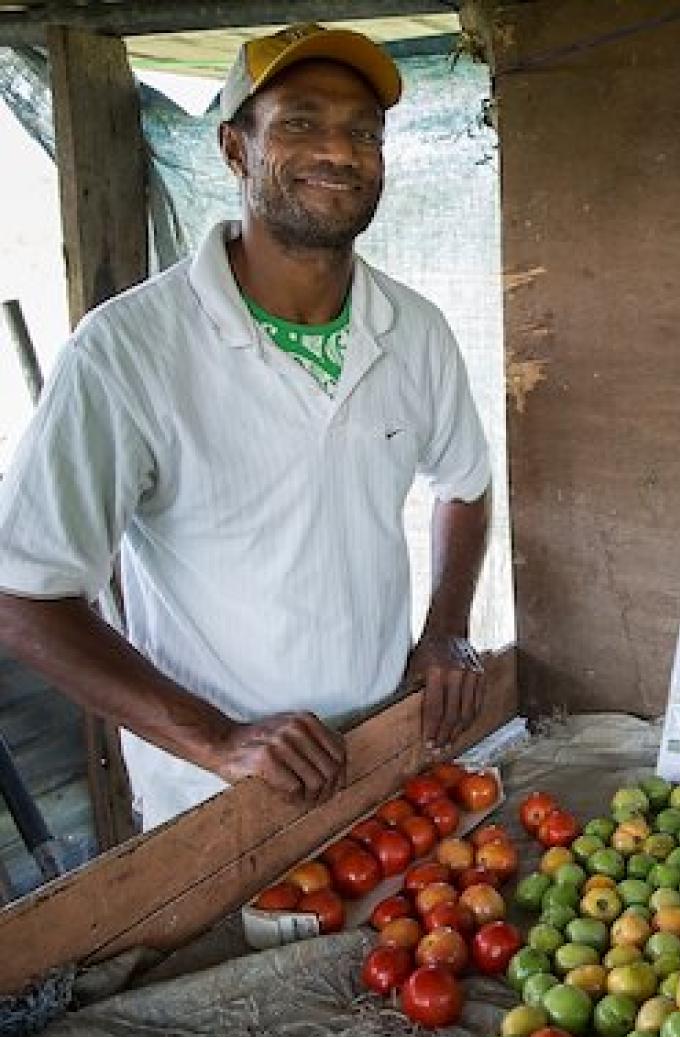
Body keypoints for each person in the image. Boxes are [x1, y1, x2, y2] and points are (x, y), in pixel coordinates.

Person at [0, 24, 493, 830]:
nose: (339, 151)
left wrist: (445, 632)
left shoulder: (416, 331)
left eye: (363, 132)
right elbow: (23, 597)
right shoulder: (128, 352)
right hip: (214, 799)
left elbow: (465, 487)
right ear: (235, 150)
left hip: (379, 753)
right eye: (299, 122)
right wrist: (221, 739)